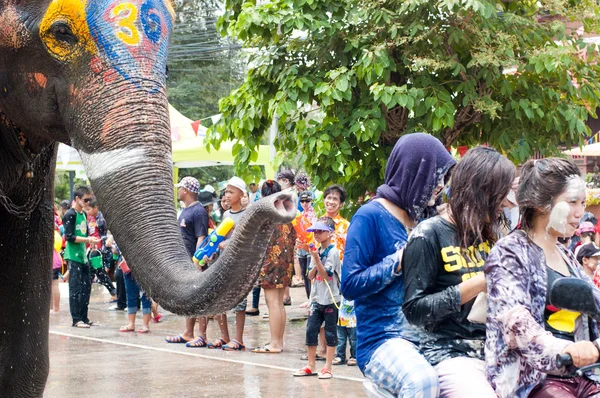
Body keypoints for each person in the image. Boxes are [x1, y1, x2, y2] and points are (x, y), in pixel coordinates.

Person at [342, 133, 456, 397]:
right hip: (383, 339)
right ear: (414, 172)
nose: (440, 184)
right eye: (435, 175)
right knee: (423, 381)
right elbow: (349, 285)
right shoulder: (370, 216)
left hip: (429, 335)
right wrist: (399, 260)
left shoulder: (428, 219)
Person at [401, 146, 515, 397]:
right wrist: (478, 283)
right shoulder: (428, 234)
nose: (507, 203)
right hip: (448, 351)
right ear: (480, 191)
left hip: (497, 350)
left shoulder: (494, 234)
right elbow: (415, 310)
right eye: (500, 194)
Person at [485, 157, 600, 398]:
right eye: (572, 202)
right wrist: (566, 348)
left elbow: (595, 304)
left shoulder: (567, 256)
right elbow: (516, 322)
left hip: (584, 374)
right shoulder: (509, 252)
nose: (580, 212)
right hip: (533, 381)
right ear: (541, 204)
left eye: (583, 203)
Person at [252, 180, 297, 353]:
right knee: (279, 303)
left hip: (271, 264)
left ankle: (275, 344)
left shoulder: (266, 216)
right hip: (285, 264)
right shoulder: (287, 214)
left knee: (272, 303)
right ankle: (278, 341)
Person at [294, 217, 341, 379]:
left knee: (330, 332)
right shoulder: (317, 251)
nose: (317, 234)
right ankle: (311, 365)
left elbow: (326, 275)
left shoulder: (334, 252)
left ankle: (327, 366)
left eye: (321, 231)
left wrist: (316, 260)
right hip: (316, 298)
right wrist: (315, 258)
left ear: (330, 233)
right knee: (311, 330)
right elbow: (310, 275)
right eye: (315, 231)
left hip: (330, 298)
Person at [165, 176, 210, 347]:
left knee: (200, 299)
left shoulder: (198, 211)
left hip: (195, 262)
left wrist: (197, 262)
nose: (178, 191)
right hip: (185, 261)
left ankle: (202, 335)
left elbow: (201, 237)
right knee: (190, 298)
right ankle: (188, 332)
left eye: (180, 188)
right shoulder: (185, 211)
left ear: (187, 190)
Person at [206, 176, 249, 351]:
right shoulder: (225, 214)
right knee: (219, 298)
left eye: (232, 192)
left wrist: (229, 243)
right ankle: (224, 336)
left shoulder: (247, 214)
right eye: (226, 191)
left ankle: (238, 339)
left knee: (240, 302)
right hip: (224, 262)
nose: (227, 195)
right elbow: (220, 236)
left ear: (241, 194)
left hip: (240, 262)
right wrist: (212, 251)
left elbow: (245, 238)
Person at [62, 186, 100, 328]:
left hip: (83, 256)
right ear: (77, 199)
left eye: (89, 199)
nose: (88, 202)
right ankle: (76, 319)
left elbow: (83, 236)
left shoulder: (83, 215)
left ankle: (84, 317)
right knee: (75, 289)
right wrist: (88, 240)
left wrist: (90, 243)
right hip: (73, 257)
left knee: (86, 288)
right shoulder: (70, 214)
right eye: (85, 199)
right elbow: (70, 237)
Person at [85, 198, 117, 299]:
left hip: (101, 249)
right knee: (99, 272)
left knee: (92, 271)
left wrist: (106, 240)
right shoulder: (90, 218)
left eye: (89, 209)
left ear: (96, 207)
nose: (88, 212)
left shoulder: (102, 218)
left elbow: (110, 231)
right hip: (93, 249)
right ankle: (114, 292)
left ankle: (85, 295)